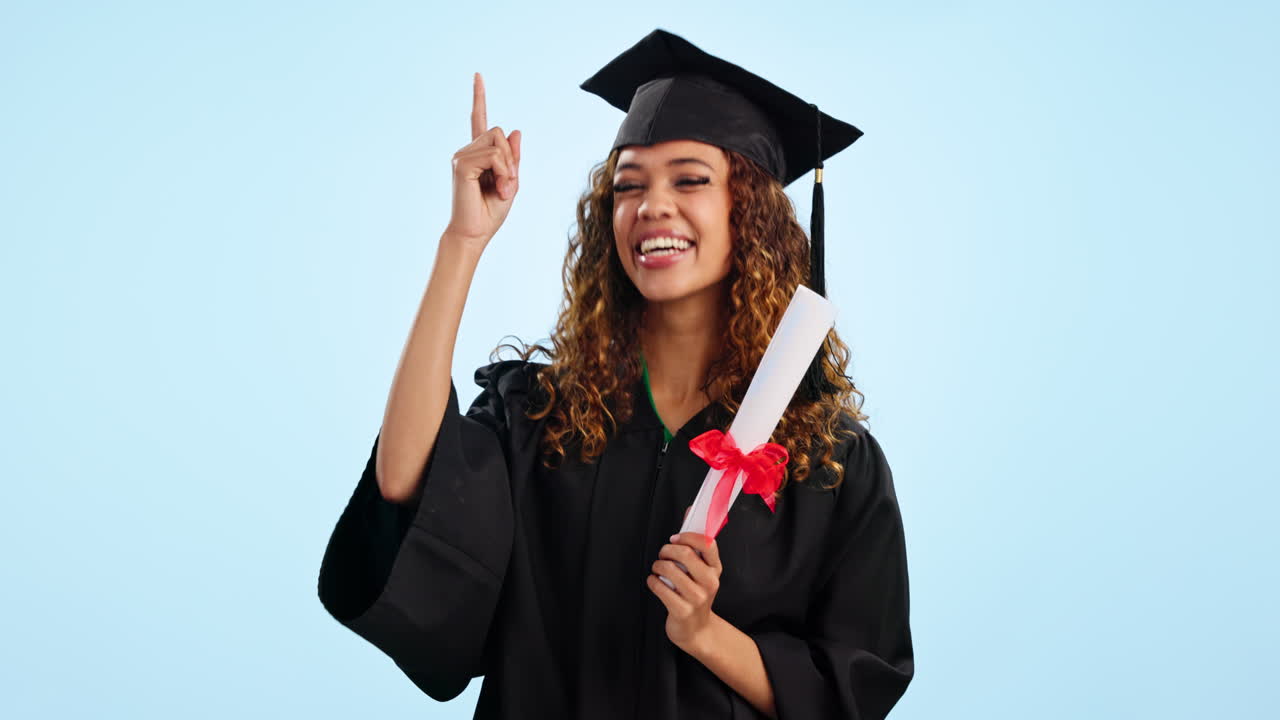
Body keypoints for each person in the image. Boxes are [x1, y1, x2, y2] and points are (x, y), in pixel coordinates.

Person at [318, 29, 914, 720]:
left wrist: (705, 634)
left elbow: (852, 685)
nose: (652, 205)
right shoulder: (543, 416)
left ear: (748, 214)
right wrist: (463, 243)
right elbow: (404, 480)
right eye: (629, 185)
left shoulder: (827, 460)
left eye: (690, 179)